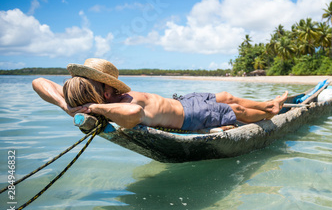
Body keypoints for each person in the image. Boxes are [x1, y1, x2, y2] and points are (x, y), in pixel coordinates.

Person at [32, 58, 288, 131]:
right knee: (238, 113)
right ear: (100, 93)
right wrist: (93, 110)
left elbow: (39, 81)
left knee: (226, 96)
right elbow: (134, 113)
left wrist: (65, 105)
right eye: (104, 86)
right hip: (191, 116)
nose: (111, 88)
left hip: (183, 100)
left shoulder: (102, 99)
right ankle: (272, 112)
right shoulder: (112, 106)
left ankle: (267, 102)